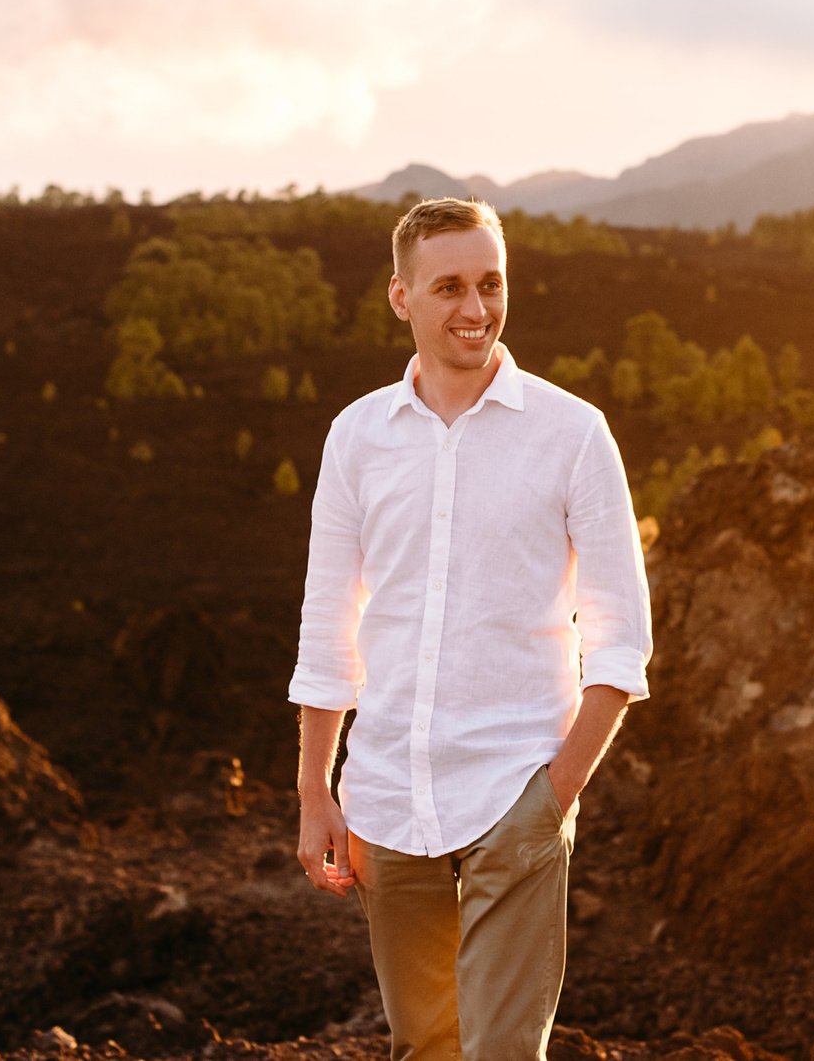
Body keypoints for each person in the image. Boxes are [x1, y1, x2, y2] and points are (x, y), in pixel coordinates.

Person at [291, 197, 652, 1061]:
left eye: (491, 283)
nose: (476, 307)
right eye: (449, 286)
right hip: (387, 797)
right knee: (426, 1047)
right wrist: (314, 788)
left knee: (500, 1052)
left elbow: (621, 639)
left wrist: (555, 793)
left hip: (515, 791)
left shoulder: (573, 434)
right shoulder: (356, 437)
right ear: (401, 296)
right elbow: (329, 624)